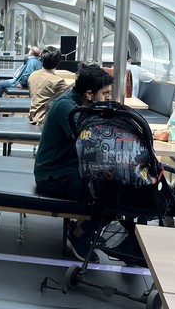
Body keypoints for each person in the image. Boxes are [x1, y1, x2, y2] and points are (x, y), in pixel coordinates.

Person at [33, 66, 114, 259]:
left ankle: (81, 226)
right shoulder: (66, 107)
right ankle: (80, 232)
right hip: (53, 175)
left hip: (71, 170)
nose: (109, 98)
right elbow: (89, 143)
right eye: (105, 94)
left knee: (119, 186)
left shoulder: (83, 104)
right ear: (89, 93)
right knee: (113, 193)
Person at [27, 45, 69, 125]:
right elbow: (69, 98)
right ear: (57, 62)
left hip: (33, 115)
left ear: (41, 59)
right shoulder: (57, 81)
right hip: (45, 119)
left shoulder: (33, 75)